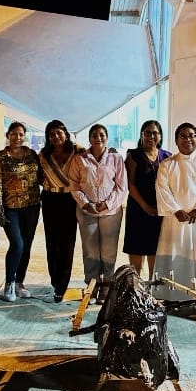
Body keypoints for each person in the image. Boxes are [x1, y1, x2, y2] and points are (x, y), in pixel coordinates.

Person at [152, 122, 196, 317]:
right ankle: (172, 296)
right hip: (175, 221)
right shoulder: (167, 164)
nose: (188, 139)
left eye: (192, 135)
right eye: (183, 136)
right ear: (176, 140)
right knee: (174, 257)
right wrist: (176, 210)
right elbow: (162, 188)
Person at [67, 123, 127, 303]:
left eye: (101, 135)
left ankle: (106, 286)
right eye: (94, 135)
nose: (98, 138)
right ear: (89, 138)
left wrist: (107, 204)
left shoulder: (116, 158)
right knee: (90, 250)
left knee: (108, 251)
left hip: (111, 212)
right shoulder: (80, 159)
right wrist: (86, 204)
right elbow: (74, 185)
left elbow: (121, 186)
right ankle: (91, 286)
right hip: (87, 212)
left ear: (106, 137)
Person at [0, 121, 41, 302]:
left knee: (26, 245)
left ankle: (19, 283)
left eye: (20, 134)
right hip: (10, 207)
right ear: (8, 135)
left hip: (32, 206)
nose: (17, 137)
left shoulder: (32, 154)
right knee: (17, 244)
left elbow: (41, 176)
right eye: (14, 134)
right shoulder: (0, 157)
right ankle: (9, 283)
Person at [38, 120, 85, 303]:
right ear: (48, 137)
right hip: (50, 199)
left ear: (65, 133)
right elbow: (39, 177)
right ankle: (55, 279)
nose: (56, 137)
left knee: (67, 243)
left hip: (69, 199)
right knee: (51, 242)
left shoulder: (77, 151)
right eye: (52, 134)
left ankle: (62, 285)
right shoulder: (43, 155)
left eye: (59, 133)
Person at [122, 120, 171, 280]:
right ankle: (136, 287)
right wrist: (145, 207)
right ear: (142, 135)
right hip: (138, 208)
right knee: (136, 249)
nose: (151, 136)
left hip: (159, 210)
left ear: (160, 136)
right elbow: (130, 184)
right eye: (147, 132)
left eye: (155, 133)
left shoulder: (167, 156)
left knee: (154, 250)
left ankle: (153, 287)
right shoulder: (133, 155)